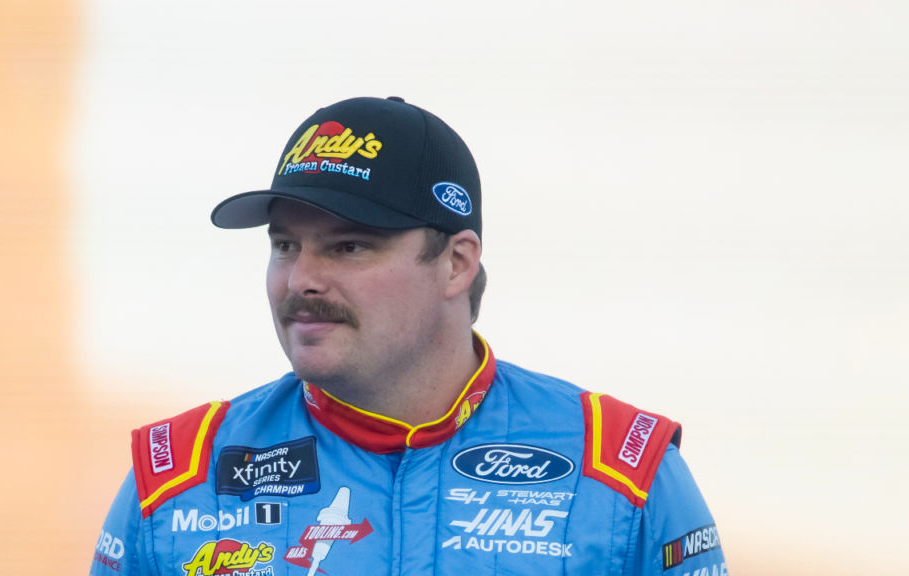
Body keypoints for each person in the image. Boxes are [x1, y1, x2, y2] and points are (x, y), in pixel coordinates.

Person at [91, 96, 727, 576]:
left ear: (456, 264)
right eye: (285, 245)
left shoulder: (620, 470)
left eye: (349, 246)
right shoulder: (177, 475)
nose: (302, 279)